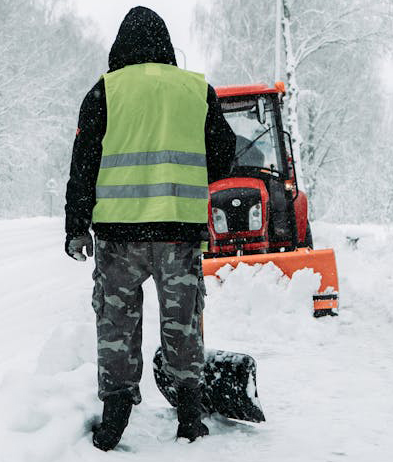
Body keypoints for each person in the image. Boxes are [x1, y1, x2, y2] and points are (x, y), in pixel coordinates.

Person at [64, 6, 235, 451]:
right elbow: (224, 152)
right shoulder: (196, 90)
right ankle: (190, 415)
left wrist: (76, 227)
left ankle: (116, 414)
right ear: (165, 45)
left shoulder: (105, 91)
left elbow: (83, 164)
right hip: (178, 231)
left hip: (118, 236)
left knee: (116, 320)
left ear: (120, 45)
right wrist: (190, 179)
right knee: (182, 320)